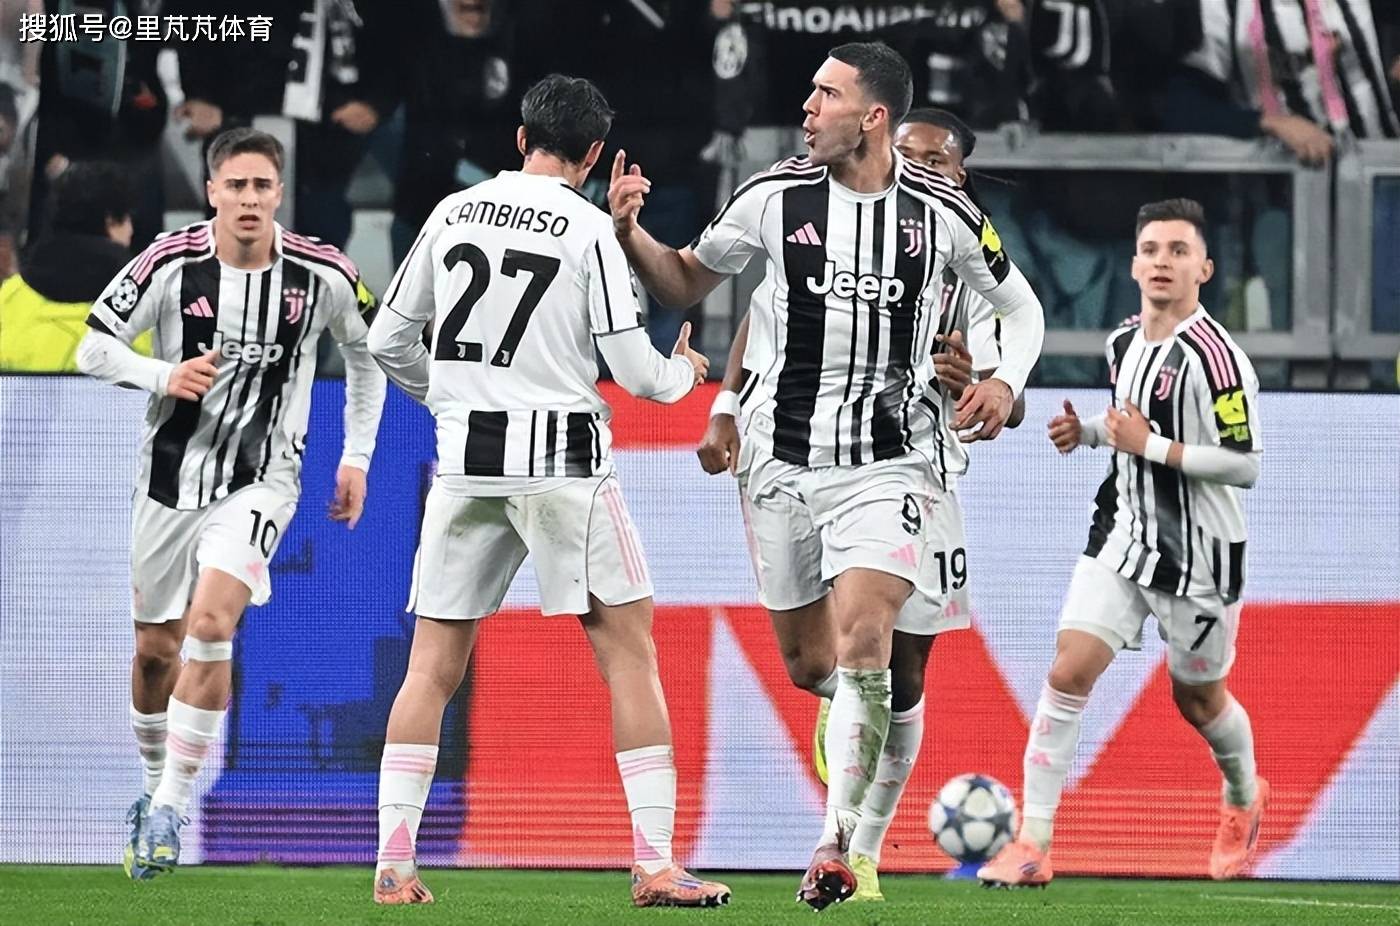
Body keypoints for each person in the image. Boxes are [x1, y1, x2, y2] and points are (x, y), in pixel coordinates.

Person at [609, 41, 1045, 909]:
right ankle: (846, 714)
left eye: (826, 94)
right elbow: (687, 282)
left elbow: (1019, 307)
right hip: (780, 461)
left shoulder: (945, 215)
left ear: (871, 116)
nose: (807, 107)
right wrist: (629, 234)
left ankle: (838, 847)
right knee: (816, 665)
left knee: (870, 639)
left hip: (892, 462)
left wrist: (1003, 382)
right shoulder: (773, 196)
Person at [365, 74, 730, 909]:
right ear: (594, 153)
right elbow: (636, 373)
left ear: (520, 137)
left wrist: (451, 401)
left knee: (432, 668)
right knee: (629, 655)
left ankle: (393, 860)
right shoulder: (590, 228)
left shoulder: (453, 211)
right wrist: (685, 373)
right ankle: (654, 863)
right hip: (564, 464)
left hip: (466, 463)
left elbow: (388, 339)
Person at [76, 126, 387, 880]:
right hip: (169, 478)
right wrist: (162, 376)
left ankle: (171, 806)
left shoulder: (323, 273)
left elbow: (368, 354)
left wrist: (355, 456)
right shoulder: (170, 262)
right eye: (236, 185)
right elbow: (93, 345)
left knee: (213, 624)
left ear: (280, 193)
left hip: (263, 480)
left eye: (262, 186)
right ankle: (153, 785)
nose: (249, 199)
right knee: (156, 651)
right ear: (211, 190)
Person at [978, 198, 1267, 888]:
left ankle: (1243, 793)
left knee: (1199, 700)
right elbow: (1128, 423)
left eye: (1178, 251)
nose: (1163, 262)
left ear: (1204, 268)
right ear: (1134, 264)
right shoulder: (1122, 342)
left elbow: (1244, 464)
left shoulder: (1218, 361)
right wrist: (1088, 434)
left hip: (1198, 557)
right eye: (1151, 250)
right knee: (1067, 672)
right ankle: (1032, 844)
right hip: (1123, 535)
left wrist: (1149, 446)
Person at [0, 160, 150, 371]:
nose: (131, 230)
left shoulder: (11, 295)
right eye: (126, 219)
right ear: (110, 221)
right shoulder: (142, 302)